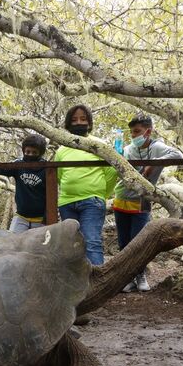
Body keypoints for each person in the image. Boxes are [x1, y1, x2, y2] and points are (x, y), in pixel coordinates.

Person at [114, 113, 183, 292]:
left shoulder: (157, 147)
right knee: (124, 242)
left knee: (140, 240)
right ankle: (125, 278)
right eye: (132, 133)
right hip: (122, 197)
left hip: (142, 200)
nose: (134, 136)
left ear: (148, 131)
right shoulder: (128, 149)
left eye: (137, 131)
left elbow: (178, 155)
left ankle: (140, 274)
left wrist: (154, 163)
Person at [54, 104, 118, 266]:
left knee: (91, 241)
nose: (79, 123)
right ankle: (74, 284)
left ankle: (98, 285)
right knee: (70, 244)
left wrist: (101, 194)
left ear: (89, 123)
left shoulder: (98, 144)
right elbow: (59, 176)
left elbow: (111, 173)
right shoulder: (62, 149)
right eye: (74, 120)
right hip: (66, 202)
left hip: (92, 201)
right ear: (68, 124)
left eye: (83, 119)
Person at [0, 134, 49, 233]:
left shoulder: (46, 169)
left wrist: (47, 216)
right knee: (12, 241)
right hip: (21, 217)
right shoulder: (19, 165)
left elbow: (51, 194)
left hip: (40, 218)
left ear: (40, 153)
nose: (30, 155)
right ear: (24, 151)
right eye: (27, 152)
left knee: (37, 246)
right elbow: (3, 169)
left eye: (34, 152)